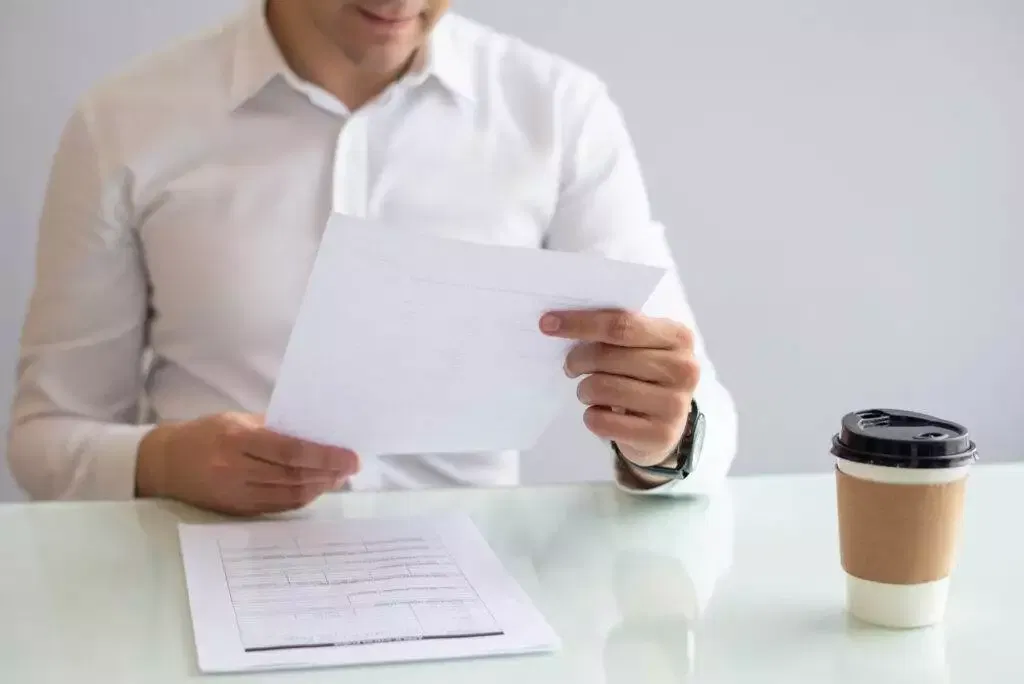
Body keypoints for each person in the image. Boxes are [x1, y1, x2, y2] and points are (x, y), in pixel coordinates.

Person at [7, 0, 738, 516]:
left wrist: (666, 437)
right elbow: (46, 437)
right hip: (197, 573)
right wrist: (165, 463)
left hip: (479, 597)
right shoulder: (125, 123)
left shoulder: (559, 111)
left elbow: (701, 407)